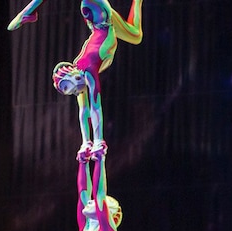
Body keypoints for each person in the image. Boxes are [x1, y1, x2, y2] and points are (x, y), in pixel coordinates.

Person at [8, 0, 143, 160]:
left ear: (73, 74)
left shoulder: (87, 70)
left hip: (97, 14)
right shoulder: (81, 81)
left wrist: (98, 141)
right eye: (71, 92)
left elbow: (96, 106)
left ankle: (26, 13)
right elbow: (84, 111)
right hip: (100, 23)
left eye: (70, 88)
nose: (75, 92)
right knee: (135, 36)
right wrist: (86, 143)